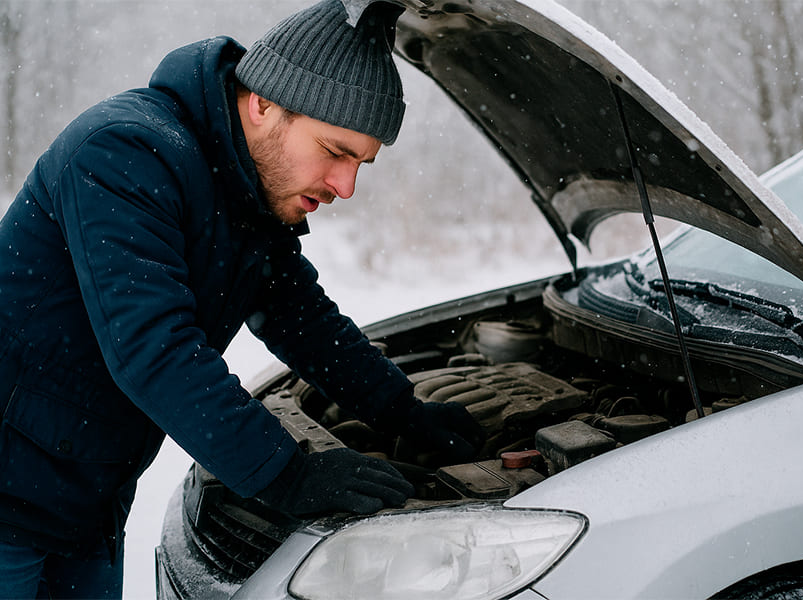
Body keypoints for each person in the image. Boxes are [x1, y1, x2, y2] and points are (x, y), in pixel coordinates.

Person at [0, 0, 485, 597]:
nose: (347, 186)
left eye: (362, 163)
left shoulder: (242, 185)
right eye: (335, 151)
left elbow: (300, 317)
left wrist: (402, 412)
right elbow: (154, 349)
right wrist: (286, 475)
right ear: (263, 104)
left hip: (85, 502)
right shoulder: (124, 153)